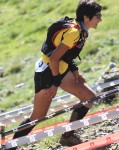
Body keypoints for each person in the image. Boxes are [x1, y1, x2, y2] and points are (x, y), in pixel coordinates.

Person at [10, 0, 102, 149]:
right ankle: (10, 146)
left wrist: (74, 69)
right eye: (98, 16)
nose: (100, 19)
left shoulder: (80, 29)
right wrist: (55, 83)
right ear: (87, 17)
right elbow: (54, 58)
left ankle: (68, 136)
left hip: (60, 68)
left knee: (89, 98)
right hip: (49, 71)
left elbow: (66, 54)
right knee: (38, 116)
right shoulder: (74, 31)